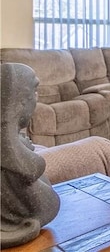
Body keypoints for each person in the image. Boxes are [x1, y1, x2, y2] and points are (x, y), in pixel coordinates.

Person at [1, 63, 60, 248]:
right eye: (34, 93)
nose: (37, 101)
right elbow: (31, 168)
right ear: (19, 102)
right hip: (31, 212)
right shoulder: (10, 152)